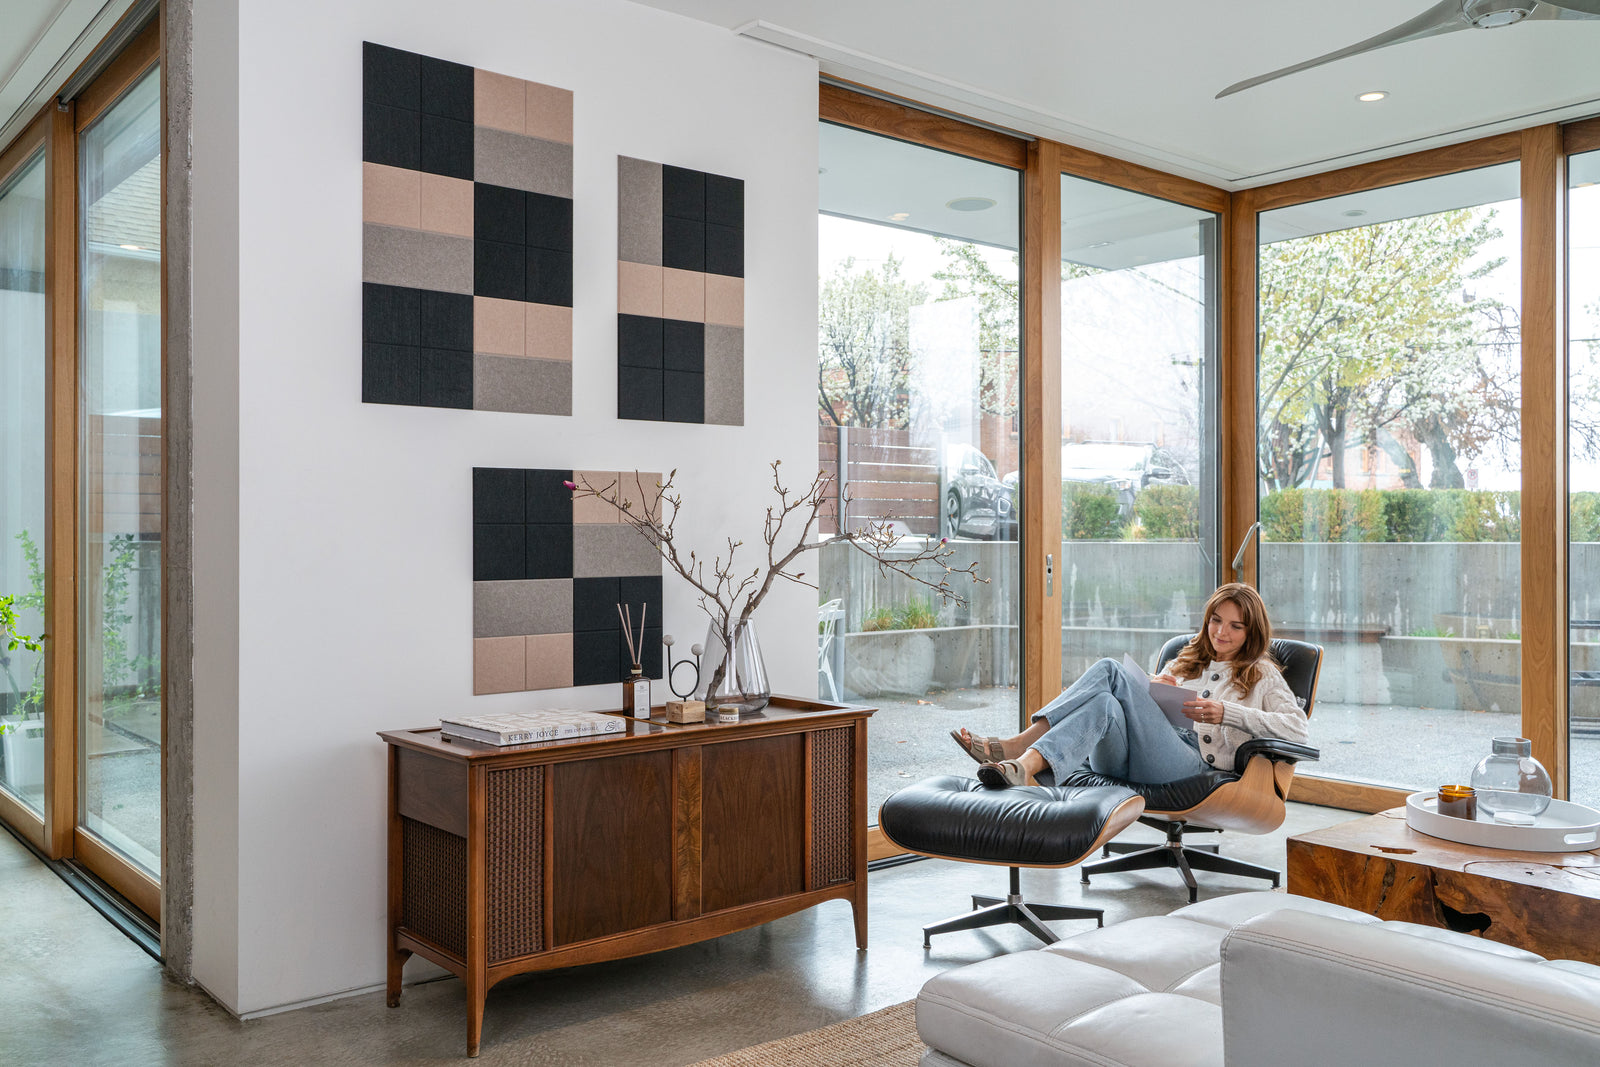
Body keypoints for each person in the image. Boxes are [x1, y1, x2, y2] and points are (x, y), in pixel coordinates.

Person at [952, 583, 1309, 788]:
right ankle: (1023, 767)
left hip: (1192, 765)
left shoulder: (1261, 672)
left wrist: (1226, 712)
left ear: (1252, 631)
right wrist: (1154, 689)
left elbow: (1298, 729)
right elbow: (1142, 716)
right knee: (1106, 705)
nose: (1221, 632)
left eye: (1235, 626)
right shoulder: (1184, 658)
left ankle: (1017, 749)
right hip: (1133, 755)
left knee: (1109, 669)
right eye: (1216, 621)